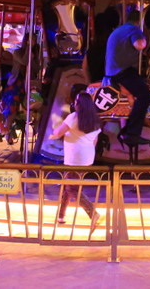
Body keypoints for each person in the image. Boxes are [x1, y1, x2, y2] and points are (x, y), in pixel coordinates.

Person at [49, 91, 102, 232]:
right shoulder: (95, 120)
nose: (74, 103)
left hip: (73, 159)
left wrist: (53, 135)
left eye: (76, 101)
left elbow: (59, 132)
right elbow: (94, 141)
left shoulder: (73, 117)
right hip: (87, 158)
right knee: (69, 184)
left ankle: (93, 213)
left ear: (79, 105)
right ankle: (61, 215)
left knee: (72, 188)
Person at [104, 10, 150, 146]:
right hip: (121, 72)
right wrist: (144, 36)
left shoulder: (121, 29)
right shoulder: (133, 29)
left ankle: (126, 129)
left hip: (114, 70)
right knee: (145, 95)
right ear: (140, 21)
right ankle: (132, 134)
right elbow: (139, 45)